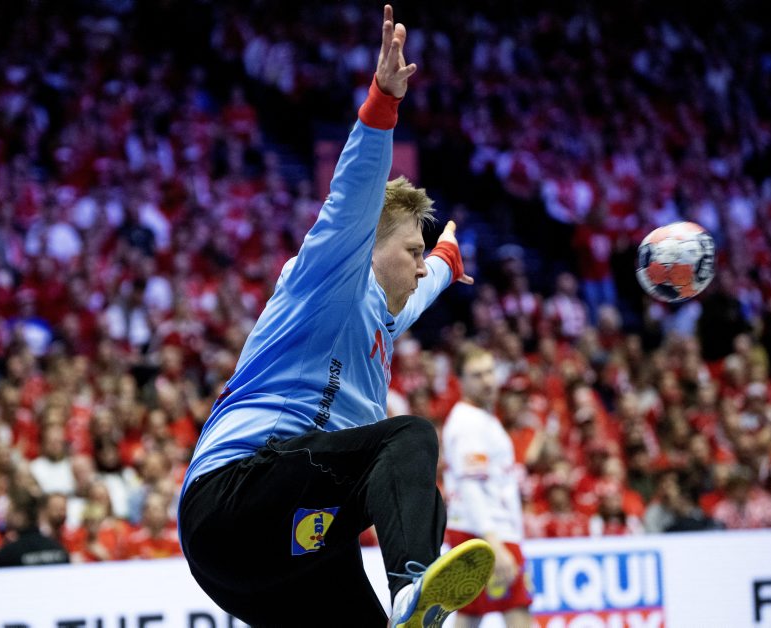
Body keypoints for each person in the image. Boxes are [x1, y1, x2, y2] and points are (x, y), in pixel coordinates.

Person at [177, 6, 494, 627]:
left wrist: (446, 260)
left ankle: (407, 609)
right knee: (408, 438)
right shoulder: (326, 279)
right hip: (233, 497)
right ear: (367, 247)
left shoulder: (380, 316)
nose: (418, 267)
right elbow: (352, 196)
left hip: (268, 551)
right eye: (412, 252)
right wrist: (383, 102)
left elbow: (421, 289)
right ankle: (414, 583)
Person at [441, 346, 533, 628]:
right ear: (460, 381)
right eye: (477, 375)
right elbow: (470, 487)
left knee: (471, 614)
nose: (487, 381)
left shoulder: (480, 418)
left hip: (478, 530)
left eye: (490, 372)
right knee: (518, 611)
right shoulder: (468, 423)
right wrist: (494, 542)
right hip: (486, 533)